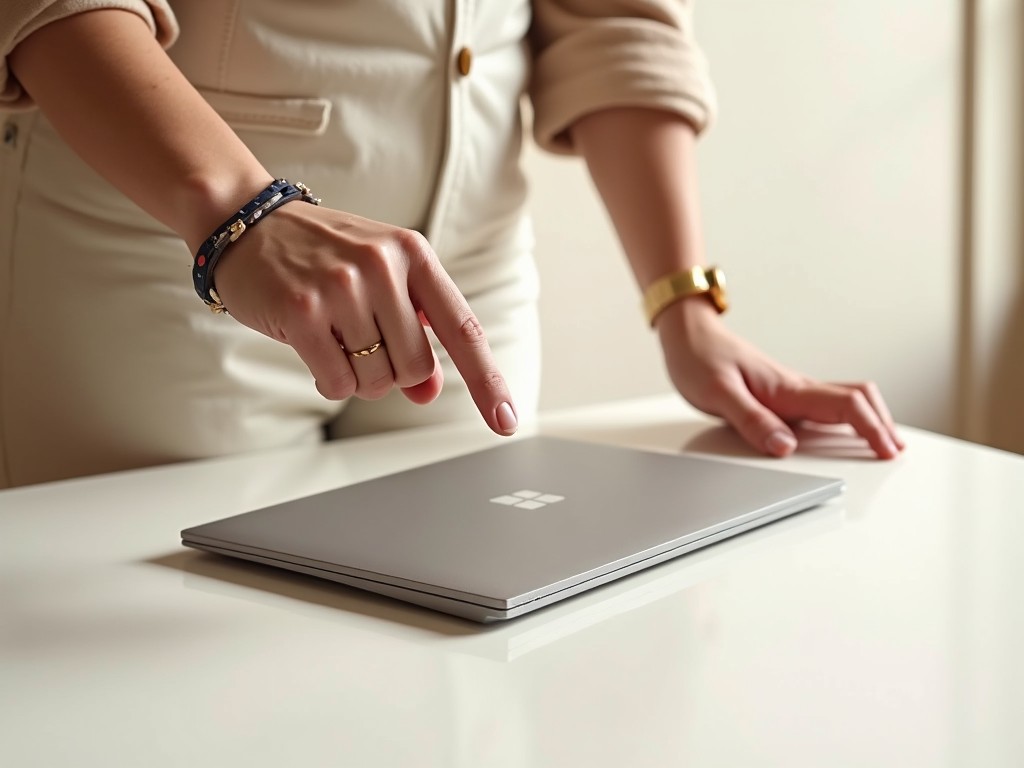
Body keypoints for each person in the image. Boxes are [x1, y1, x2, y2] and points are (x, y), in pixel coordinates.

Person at [0, 0, 903, 489]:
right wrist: (240, 213)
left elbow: (616, 22)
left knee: (459, 679)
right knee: (175, 675)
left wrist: (684, 304)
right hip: (169, 252)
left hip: (466, 283)